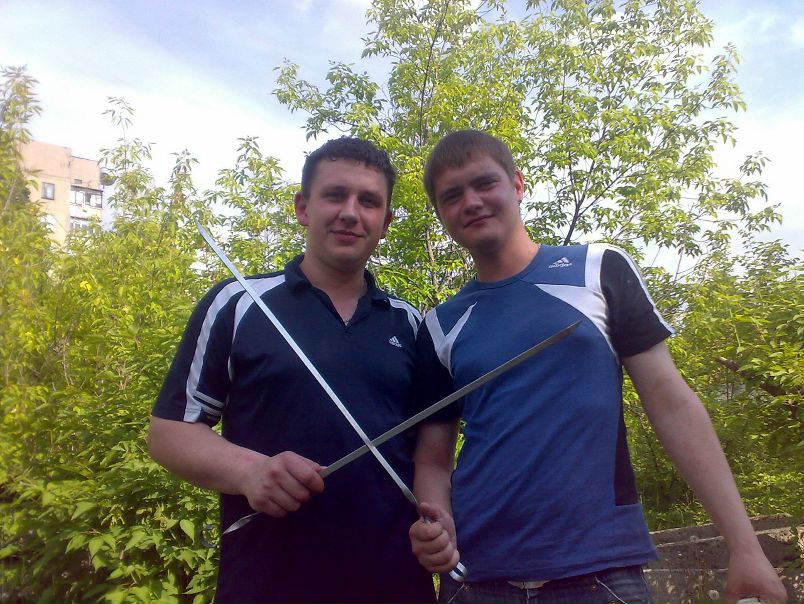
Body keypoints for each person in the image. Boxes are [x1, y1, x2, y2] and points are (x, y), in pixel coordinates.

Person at [408, 130, 787, 604]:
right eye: (452, 196)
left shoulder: (598, 269)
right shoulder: (440, 324)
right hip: (475, 580)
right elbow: (432, 458)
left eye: (485, 183)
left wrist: (744, 546)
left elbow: (671, 403)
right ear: (440, 213)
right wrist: (438, 521)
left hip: (601, 575)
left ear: (517, 185)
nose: (471, 202)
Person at [149, 137, 436, 604]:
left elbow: (430, 455)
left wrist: (438, 522)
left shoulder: (412, 324)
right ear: (303, 208)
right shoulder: (238, 303)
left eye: (368, 201)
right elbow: (169, 433)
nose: (350, 212)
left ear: (385, 223)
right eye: (334, 195)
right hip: (266, 584)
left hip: (396, 584)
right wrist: (250, 472)